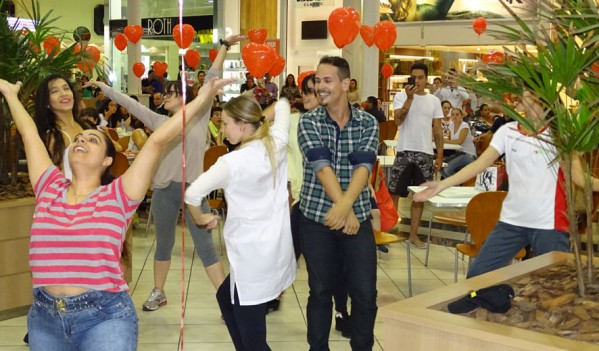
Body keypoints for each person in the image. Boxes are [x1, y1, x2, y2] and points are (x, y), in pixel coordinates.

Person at [0, 75, 230, 351]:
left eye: (93, 139)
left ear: (107, 160)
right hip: (45, 319)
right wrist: (10, 94)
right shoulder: (49, 186)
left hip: (104, 317)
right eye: (80, 138)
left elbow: (157, 142)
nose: (82, 139)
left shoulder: (118, 195)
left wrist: (203, 99)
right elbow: (28, 133)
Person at [86, 34, 247, 312]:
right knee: (164, 244)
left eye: (173, 93)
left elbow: (211, 76)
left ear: (185, 97)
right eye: (167, 94)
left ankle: (227, 303)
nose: (167, 97)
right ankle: (158, 292)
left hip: (194, 189)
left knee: (206, 247)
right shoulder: (159, 122)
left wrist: (224, 45)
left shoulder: (199, 116)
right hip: (164, 189)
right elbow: (131, 103)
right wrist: (103, 87)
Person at [414, 88, 599, 278]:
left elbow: (579, 178)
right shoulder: (507, 132)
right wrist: (442, 185)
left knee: (555, 282)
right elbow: (479, 164)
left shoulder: (560, 136)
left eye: (522, 93)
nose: (514, 98)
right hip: (511, 221)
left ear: (538, 95)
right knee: (478, 276)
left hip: (549, 224)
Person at [185, 96, 296, 351]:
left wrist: (200, 218)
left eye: (225, 123)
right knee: (225, 297)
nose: (222, 129)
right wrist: (259, 118)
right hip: (272, 251)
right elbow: (283, 104)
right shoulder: (276, 143)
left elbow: (192, 194)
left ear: (243, 125)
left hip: (250, 261)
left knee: (254, 339)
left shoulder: (231, 163)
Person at [298, 56, 378, 350]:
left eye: (326, 80)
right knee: (320, 291)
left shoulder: (367, 122)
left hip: (357, 219)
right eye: (317, 81)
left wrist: (345, 208)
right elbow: (321, 165)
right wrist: (345, 209)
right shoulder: (308, 121)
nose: (320, 86)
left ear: (345, 84)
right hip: (316, 219)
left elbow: (363, 166)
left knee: (365, 294)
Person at [389, 61, 444, 249]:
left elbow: (437, 130)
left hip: (425, 152)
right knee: (395, 192)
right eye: (414, 78)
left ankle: (413, 235)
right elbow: (397, 121)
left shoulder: (434, 101)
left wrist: (440, 155)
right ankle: (388, 230)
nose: (418, 81)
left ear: (426, 79)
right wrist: (409, 99)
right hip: (404, 149)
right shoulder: (400, 96)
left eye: (421, 77)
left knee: (420, 196)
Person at [34, 74, 95, 178]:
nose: (63, 94)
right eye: (54, 91)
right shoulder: (54, 136)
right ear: (47, 102)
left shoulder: (86, 126)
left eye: (66, 88)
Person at [441, 107, 477, 178]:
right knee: (441, 166)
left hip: (468, 155)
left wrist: (443, 140)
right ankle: (453, 185)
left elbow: (459, 141)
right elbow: (451, 141)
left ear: (461, 116)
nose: (454, 116)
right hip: (458, 154)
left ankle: (457, 185)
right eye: (453, 114)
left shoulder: (464, 126)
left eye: (457, 114)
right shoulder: (451, 126)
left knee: (447, 169)